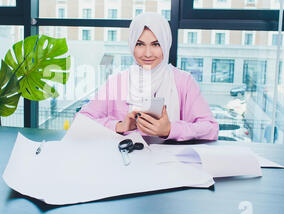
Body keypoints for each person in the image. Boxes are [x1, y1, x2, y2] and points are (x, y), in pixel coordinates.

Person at [78, 12, 218, 141]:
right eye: (140, 44)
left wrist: (170, 129)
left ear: (165, 44)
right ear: (132, 45)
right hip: (124, 161)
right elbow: (81, 121)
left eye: (156, 44)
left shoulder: (183, 81)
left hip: (171, 162)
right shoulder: (118, 82)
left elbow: (211, 128)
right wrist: (120, 126)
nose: (148, 53)